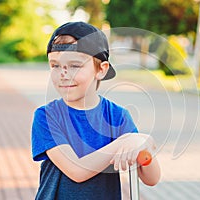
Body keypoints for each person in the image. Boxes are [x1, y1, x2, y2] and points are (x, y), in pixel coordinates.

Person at [31, 21, 160, 200]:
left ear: (101, 70)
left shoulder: (117, 116)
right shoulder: (47, 116)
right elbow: (77, 171)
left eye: (75, 66)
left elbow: (151, 178)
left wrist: (145, 142)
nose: (63, 73)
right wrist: (125, 140)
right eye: (55, 65)